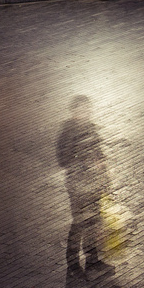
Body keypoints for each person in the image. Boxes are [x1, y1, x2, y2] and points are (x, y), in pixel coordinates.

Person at [56, 96, 112, 276]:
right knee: (79, 223)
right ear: (73, 111)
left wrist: (105, 177)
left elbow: (99, 154)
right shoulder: (67, 133)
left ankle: (92, 260)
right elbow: (63, 161)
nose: (85, 113)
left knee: (94, 222)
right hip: (77, 185)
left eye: (87, 109)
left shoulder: (91, 128)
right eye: (81, 110)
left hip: (93, 183)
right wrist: (85, 163)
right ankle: (72, 266)